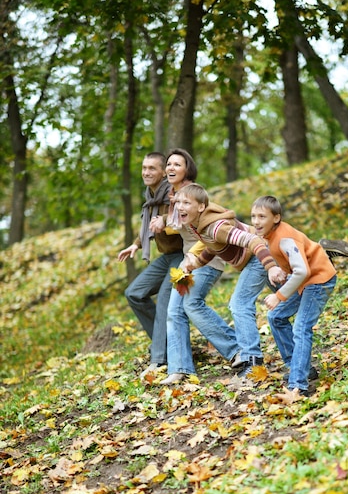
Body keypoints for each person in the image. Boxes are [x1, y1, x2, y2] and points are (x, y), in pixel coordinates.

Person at [161, 183, 287, 382]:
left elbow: (254, 241)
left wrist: (271, 266)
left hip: (260, 255)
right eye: (178, 203)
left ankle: (251, 362)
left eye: (186, 203)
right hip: (257, 257)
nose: (180, 207)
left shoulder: (217, 226)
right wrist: (195, 264)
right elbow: (213, 248)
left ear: (201, 207)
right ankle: (314, 266)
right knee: (291, 295)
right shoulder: (200, 225)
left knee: (239, 304)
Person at [149, 154, 241, 385]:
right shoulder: (176, 198)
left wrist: (194, 253)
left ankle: (238, 349)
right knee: (175, 312)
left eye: (177, 164)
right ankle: (180, 368)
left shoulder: (194, 193)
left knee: (191, 304)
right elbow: (180, 227)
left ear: (187, 169)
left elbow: (223, 215)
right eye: (168, 164)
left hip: (205, 259)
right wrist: (162, 222)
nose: (171, 167)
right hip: (189, 262)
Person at [251, 195, 337, 399]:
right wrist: (283, 271)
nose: (256, 221)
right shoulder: (270, 235)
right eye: (253, 216)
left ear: (276, 218)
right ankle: (300, 368)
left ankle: (298, 386)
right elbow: (295, 267)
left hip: (319, 280)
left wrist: (279, 296)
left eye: (262, 216)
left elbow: (303, 271)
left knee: (301, 327)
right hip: (305, 282)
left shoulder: (285, 238)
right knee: (276, 318)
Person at [117, 152, 184, 378]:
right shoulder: (150, 195)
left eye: (152, 168)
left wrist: (164, 224)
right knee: (134, 293)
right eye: (144, 168)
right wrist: (136, 244)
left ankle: (159, 359)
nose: (146, 172)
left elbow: (179, 221)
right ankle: (163, 341)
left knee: (165, 299)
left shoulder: (171, 194)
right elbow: (148, 224)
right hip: (166, 256)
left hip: (183, 254)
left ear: (163, 171)